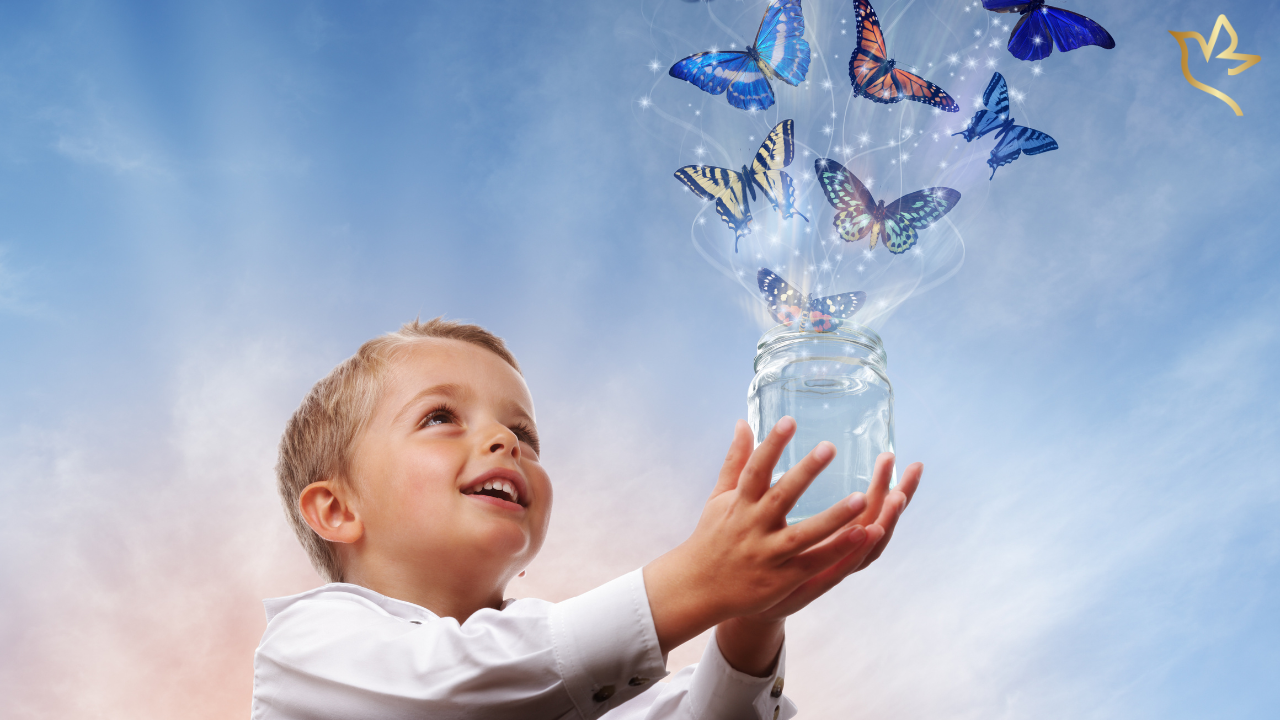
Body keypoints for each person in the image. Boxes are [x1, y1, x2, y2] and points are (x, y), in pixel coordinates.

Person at [253, 318, 922, 719]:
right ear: (336, 509)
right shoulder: (307, 651)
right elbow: (452, 694)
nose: (504, 441)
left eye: (524, 433)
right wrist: (697, 580)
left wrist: (754, 613)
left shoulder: (575, 679)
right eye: (439, 418)